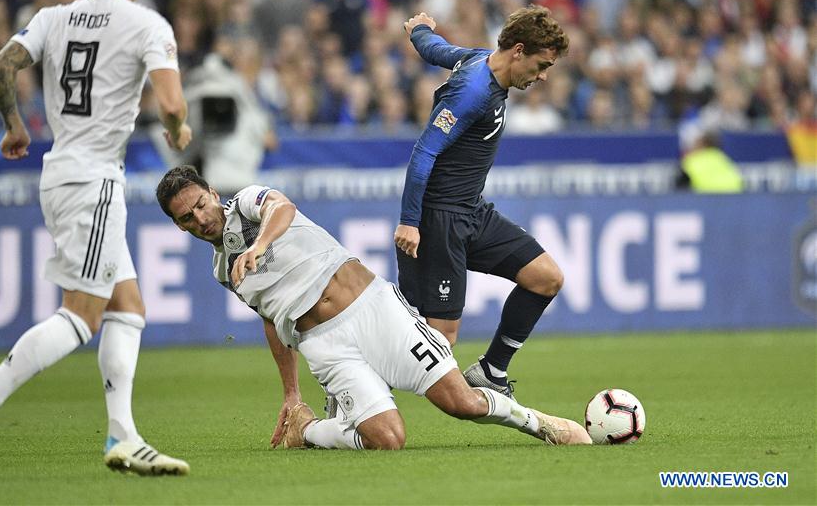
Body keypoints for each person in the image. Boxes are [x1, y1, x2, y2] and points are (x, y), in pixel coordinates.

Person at [0, 0, 193, 478]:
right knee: (82, 315)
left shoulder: (54, 17)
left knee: (127, 307)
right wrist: (179, 130)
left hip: (60, 172)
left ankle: (123, 434)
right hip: (94, 181)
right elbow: (172, 102)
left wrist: (14, 127)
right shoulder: (147, 23)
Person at [155, 165, 590, 450]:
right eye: (186, 218)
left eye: (200, 204)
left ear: (213, 193)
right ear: (177, 226)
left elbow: (282, 207)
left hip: (374, 309)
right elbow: (271, 319)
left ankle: (542, 425)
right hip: (322, 346)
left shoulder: (249, 204)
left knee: (461, 403)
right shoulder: (222, 269)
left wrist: (260, 246)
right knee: (388, 440)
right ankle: (304, 430)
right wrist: (291, 395)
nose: (201, 218)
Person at [394, 7, 569, 399]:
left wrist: (419, 29)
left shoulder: (477, 60)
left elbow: (436, 48)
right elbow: (424, 153)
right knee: (440, 341)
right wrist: (409, 220)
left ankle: (492, 371)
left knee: (546, 277)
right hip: (440, 218)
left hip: (473, 211)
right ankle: (352, 384)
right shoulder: (473, 90)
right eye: (542, 65)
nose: (543, 76)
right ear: (519, 51)